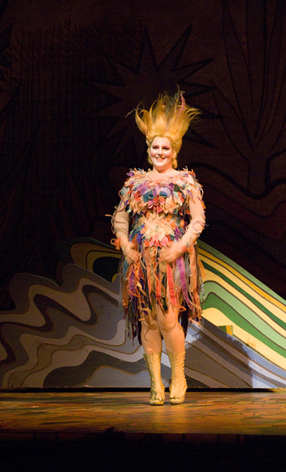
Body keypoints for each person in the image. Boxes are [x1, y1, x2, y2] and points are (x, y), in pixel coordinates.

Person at [111, 90, 206, 405]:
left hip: (171, 261)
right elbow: (120, 217)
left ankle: (178, 376)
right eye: (155, 147)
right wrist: (124, 243)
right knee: (147, 319)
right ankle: (155, 383)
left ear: (174, 149)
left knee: (167, 319)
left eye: (165, 147)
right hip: (140, 261)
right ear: (148, 149)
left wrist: (179, 248)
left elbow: (197, 220)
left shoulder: (185, 182)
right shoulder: (135, 183)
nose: (160, 151)